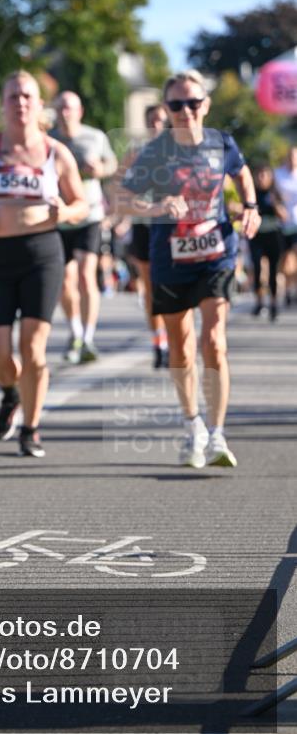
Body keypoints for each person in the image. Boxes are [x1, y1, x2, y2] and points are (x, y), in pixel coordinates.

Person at [117, 70, 260, 469]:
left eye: (193, 103)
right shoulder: (156, 152)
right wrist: (159, 207)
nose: (186, 112)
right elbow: (124, 199)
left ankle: (216, 433)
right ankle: (192, 424)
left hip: (216, 251)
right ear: (167, 109)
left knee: (214, 340)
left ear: (205, 105)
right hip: (172, 258)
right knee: (181, 346)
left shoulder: (221, 143)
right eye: (177, 105)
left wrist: (250, 207)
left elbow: (242, 173)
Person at [0, 71, 88, 458]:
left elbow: (82, 203)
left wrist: (66, 212)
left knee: (33, 349)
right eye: (13, 96)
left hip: (42, 255)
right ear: (2, 105)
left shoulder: (57, 152)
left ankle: (31, 428)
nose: (20, 102)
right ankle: (9, 392)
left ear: (38, 106)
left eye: (27, 96)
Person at [49, 91, 117, 364]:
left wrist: (100, 168)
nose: (65, 113)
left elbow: (112, 163)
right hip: (59, 217)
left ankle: (88, 336)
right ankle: (75, 331)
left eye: (70, 108)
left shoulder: (95, 136)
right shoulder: (50, 139)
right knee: (65, 281)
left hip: (89, 215)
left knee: (87, 276)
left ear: (80, 111)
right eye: (61, 108)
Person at [124, 104, 170, 367]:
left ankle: (175, 337)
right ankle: (158, 342)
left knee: (170, 285)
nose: (156, 125)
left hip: (168, 225)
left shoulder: (176, 152)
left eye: (160, 120)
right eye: (151, 120)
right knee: (150, 287)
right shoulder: (135, 152)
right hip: (143, 224)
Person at [248, 164, 286, 321]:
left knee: (273, 272)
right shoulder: (251, 195)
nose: (262, 178)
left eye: (265, 175)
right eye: (259, 175)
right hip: (257, 237)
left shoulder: (275, 194)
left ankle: (274, 304)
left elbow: (284, 216)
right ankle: (259, 302)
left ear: (271, 178)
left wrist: (275, 204)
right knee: (257, 269)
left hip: (273, 237)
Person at [275, 145, 297, 305]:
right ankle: (288, 289)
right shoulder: (278, 174)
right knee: (287, 259)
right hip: (284, 222)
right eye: (290, 156)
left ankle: (292, 288)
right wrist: (278, 207)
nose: (292, 159)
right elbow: (272, 195)